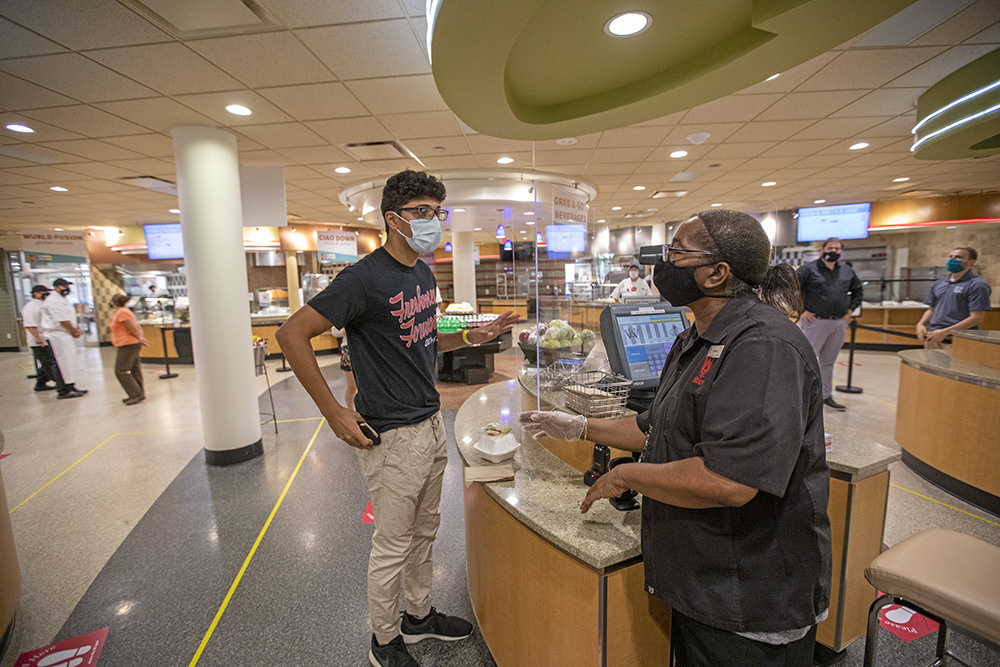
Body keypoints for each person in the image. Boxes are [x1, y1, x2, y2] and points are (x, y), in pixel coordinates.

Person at [521, 209, 832, 667]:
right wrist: (581, 427)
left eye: (676, 253)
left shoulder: (763, 347)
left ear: (716, 273)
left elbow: (730, 480)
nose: (662, 263)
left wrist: (627, 474)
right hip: (706, 581)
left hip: (750, 595)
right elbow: (653, 426)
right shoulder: (697, 338)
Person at [276, 169, 520, 667]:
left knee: (426, 531)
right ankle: (384, 641)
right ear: (394, 219)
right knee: (392, 543)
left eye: (438, 212)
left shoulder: (423, 274)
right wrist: (334, 411)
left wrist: (474, 336)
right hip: (391, 434)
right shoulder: (362, 279)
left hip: (431, 423)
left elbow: (425, 338)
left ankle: (419, 614)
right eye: (423, 213)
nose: (434, 222)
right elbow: (291, 335)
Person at [797, 238, 862, 411]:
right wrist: (801, 310)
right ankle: (800, 396)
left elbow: (858, 290)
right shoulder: (808, 270)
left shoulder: (847, 271)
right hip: (815, 321)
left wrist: (851, 309)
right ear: (822, 249)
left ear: (841, 251)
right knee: (805, 360)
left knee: (828, 362)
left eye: (837, 248)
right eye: (830, 247)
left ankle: (826, 395)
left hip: (838, 322)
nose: (833, 250)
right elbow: (793, 289)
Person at [916, 246, 991, 350]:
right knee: (929, 365)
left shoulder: (977, 285)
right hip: (933, 336)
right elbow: (931, 308)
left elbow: (977, 317)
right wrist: (921, 324)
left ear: (971, 262)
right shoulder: (939, 283)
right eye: (951, 256)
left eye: (958, 257)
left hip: (958, 339)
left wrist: (946, 332)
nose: (952, 260)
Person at [40, 278, 86, 399]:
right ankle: (63, 390)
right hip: (57, 336)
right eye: (63, 286)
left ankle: (70, 385)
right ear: (56, 287)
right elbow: (62, 320)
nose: (66, 289)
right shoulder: (53, 301)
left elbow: (68, 318)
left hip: (64, 335)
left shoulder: (61, 300)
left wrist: (75, 329)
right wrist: (74, 330)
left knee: (68, 362)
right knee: (61, 363)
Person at [110, 294, 148, 405]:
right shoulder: (125, 311)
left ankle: (135, 394)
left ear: (113, 302)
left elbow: (132, 327)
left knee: (121, 370)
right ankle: (139, 393)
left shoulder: (122, 312)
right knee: (134, 369)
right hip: (130, 343)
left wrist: (140, 338)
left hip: (128, 344)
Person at [22, 285, 60, 392]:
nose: (46, 295)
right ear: (36, 294)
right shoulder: (30, 307)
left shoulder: (42, 305)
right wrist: (37, 337)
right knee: (49, 362)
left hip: (46, 337)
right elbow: (30, 324)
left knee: (46, 361)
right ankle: (60, 383)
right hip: (38, 340)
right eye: (44, 292)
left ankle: (40, 383)